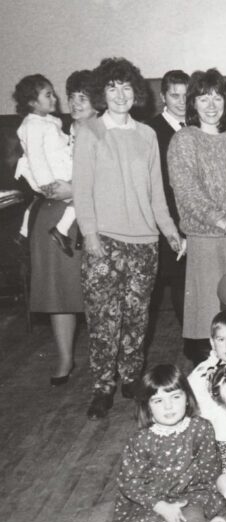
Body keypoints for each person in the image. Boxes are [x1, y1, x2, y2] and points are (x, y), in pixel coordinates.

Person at [74, 57, 184, 419]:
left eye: (126, 87)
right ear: (101, 93)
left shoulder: (147, 134)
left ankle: (130, 378)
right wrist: (90, 235)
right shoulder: (89, 130)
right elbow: (82, 190)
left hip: (144, 242)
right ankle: (102, 385)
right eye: (111, 87)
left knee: (137, 318)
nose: (120, 94)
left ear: (135, 92)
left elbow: (156, 193)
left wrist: (169, 231)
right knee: (105, 318)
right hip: (103, 240)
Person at [168, 68, 226, 364]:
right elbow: (187, 191)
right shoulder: (184, 139)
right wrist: (225, 223)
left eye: (217, 98)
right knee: (212, 322)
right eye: (203, 98)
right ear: (193, 104)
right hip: (208, 243)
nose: (211, 105)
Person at [113, 365, 226, 522]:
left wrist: (208, 495)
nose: (169, 407)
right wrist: (160, 506)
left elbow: (211, 468)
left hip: (191, 494)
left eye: (175, 397)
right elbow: (128, 482)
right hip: (153, 499)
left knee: (194, 516)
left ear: (187, 397)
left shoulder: (201, 428)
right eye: (158, 401)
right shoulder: (141, 440)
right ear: (147, 406)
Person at [26, 69, 94, 387]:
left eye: (84, 96)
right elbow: (41, 167)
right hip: (58, 213)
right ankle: (65, 356)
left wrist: (76, 189)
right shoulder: (55, 128)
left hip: (95, 214)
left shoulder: (106, 130)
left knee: (98, 292)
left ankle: (107, 359)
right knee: (60, 291)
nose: (76, 103)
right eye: (73, 97)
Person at [13, 74, 78, 254]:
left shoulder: (48, 121)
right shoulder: (32, 126)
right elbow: (36, 158)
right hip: (51, 175)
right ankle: (61, 230)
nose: (55, 99)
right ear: (33, 102)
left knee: (36, 202)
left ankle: (23, 233)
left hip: (58, 169)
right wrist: (47, 184)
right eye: (48, 95)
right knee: (82, 199)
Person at [146, 69, 190, 324]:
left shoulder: (198, 126)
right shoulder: (151, 130)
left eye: (186, 95)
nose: (182, 101)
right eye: (175, 95)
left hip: (195, 215)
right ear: (163, 96)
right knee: (175, 280)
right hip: (165, 218)